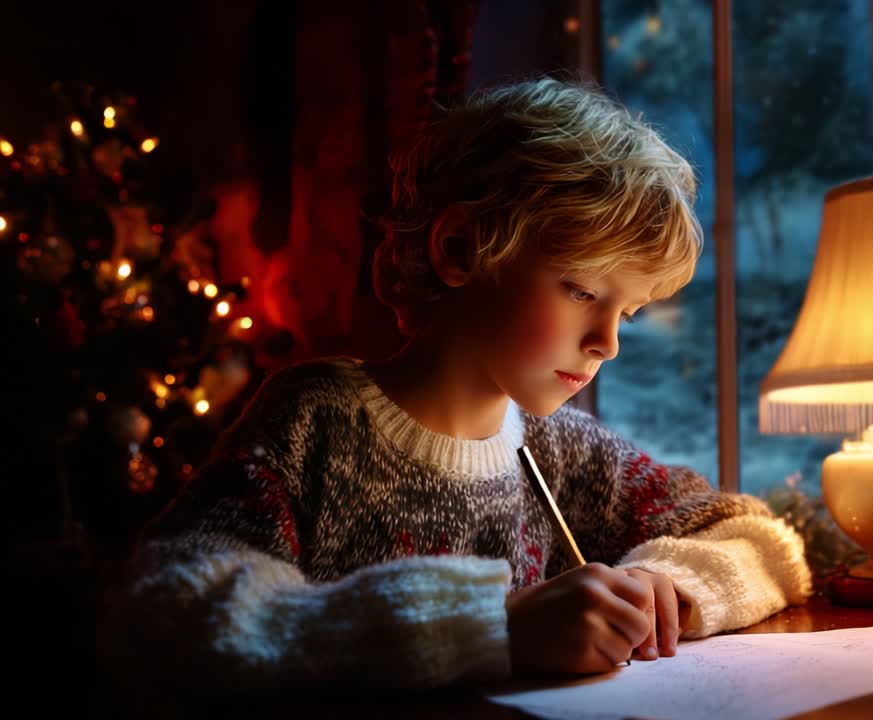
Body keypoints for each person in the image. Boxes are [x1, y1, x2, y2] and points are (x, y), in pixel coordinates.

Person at [99, 76, 812, 701]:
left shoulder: (562, 451)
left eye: (625, 313)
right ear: (458, 249)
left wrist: (666, 591)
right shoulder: (317, 424)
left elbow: (761, 539)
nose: (607, 343)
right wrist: (491, 626)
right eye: (580, 290)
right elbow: (168, 609)